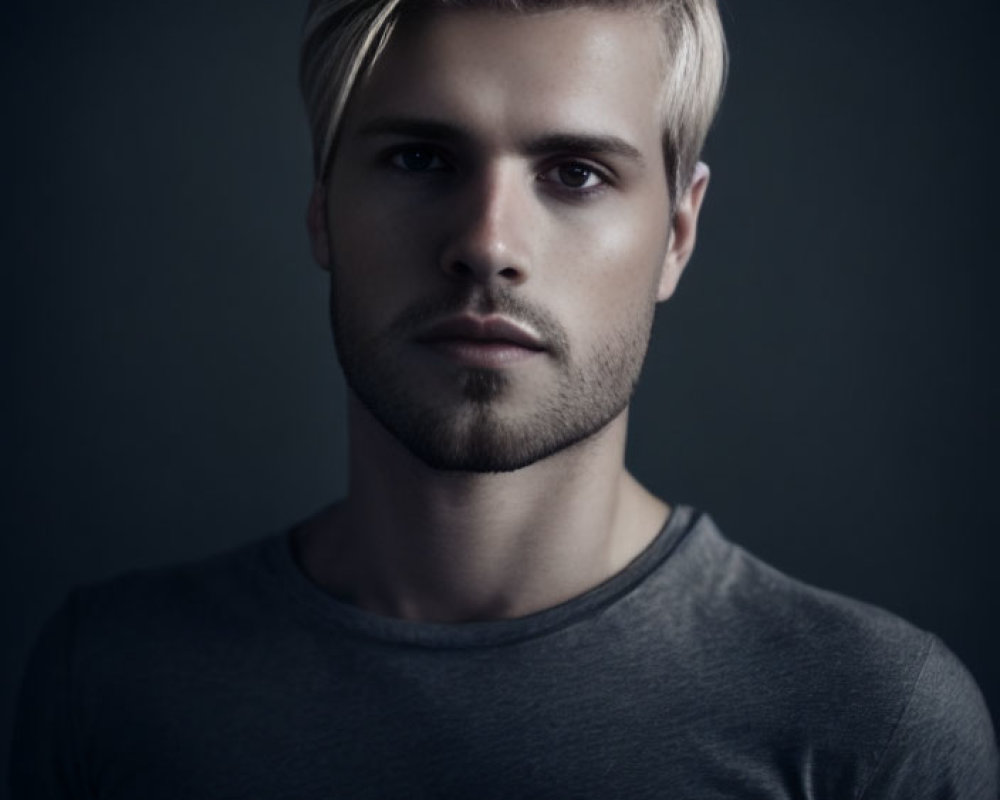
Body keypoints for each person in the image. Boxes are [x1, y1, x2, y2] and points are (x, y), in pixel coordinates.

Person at [11, 0, 998, 796]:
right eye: (419, 158)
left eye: (574, 173)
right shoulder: (108, 681)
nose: (487, 243)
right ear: (322, 206)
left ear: (679, 233)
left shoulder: (874, 725)